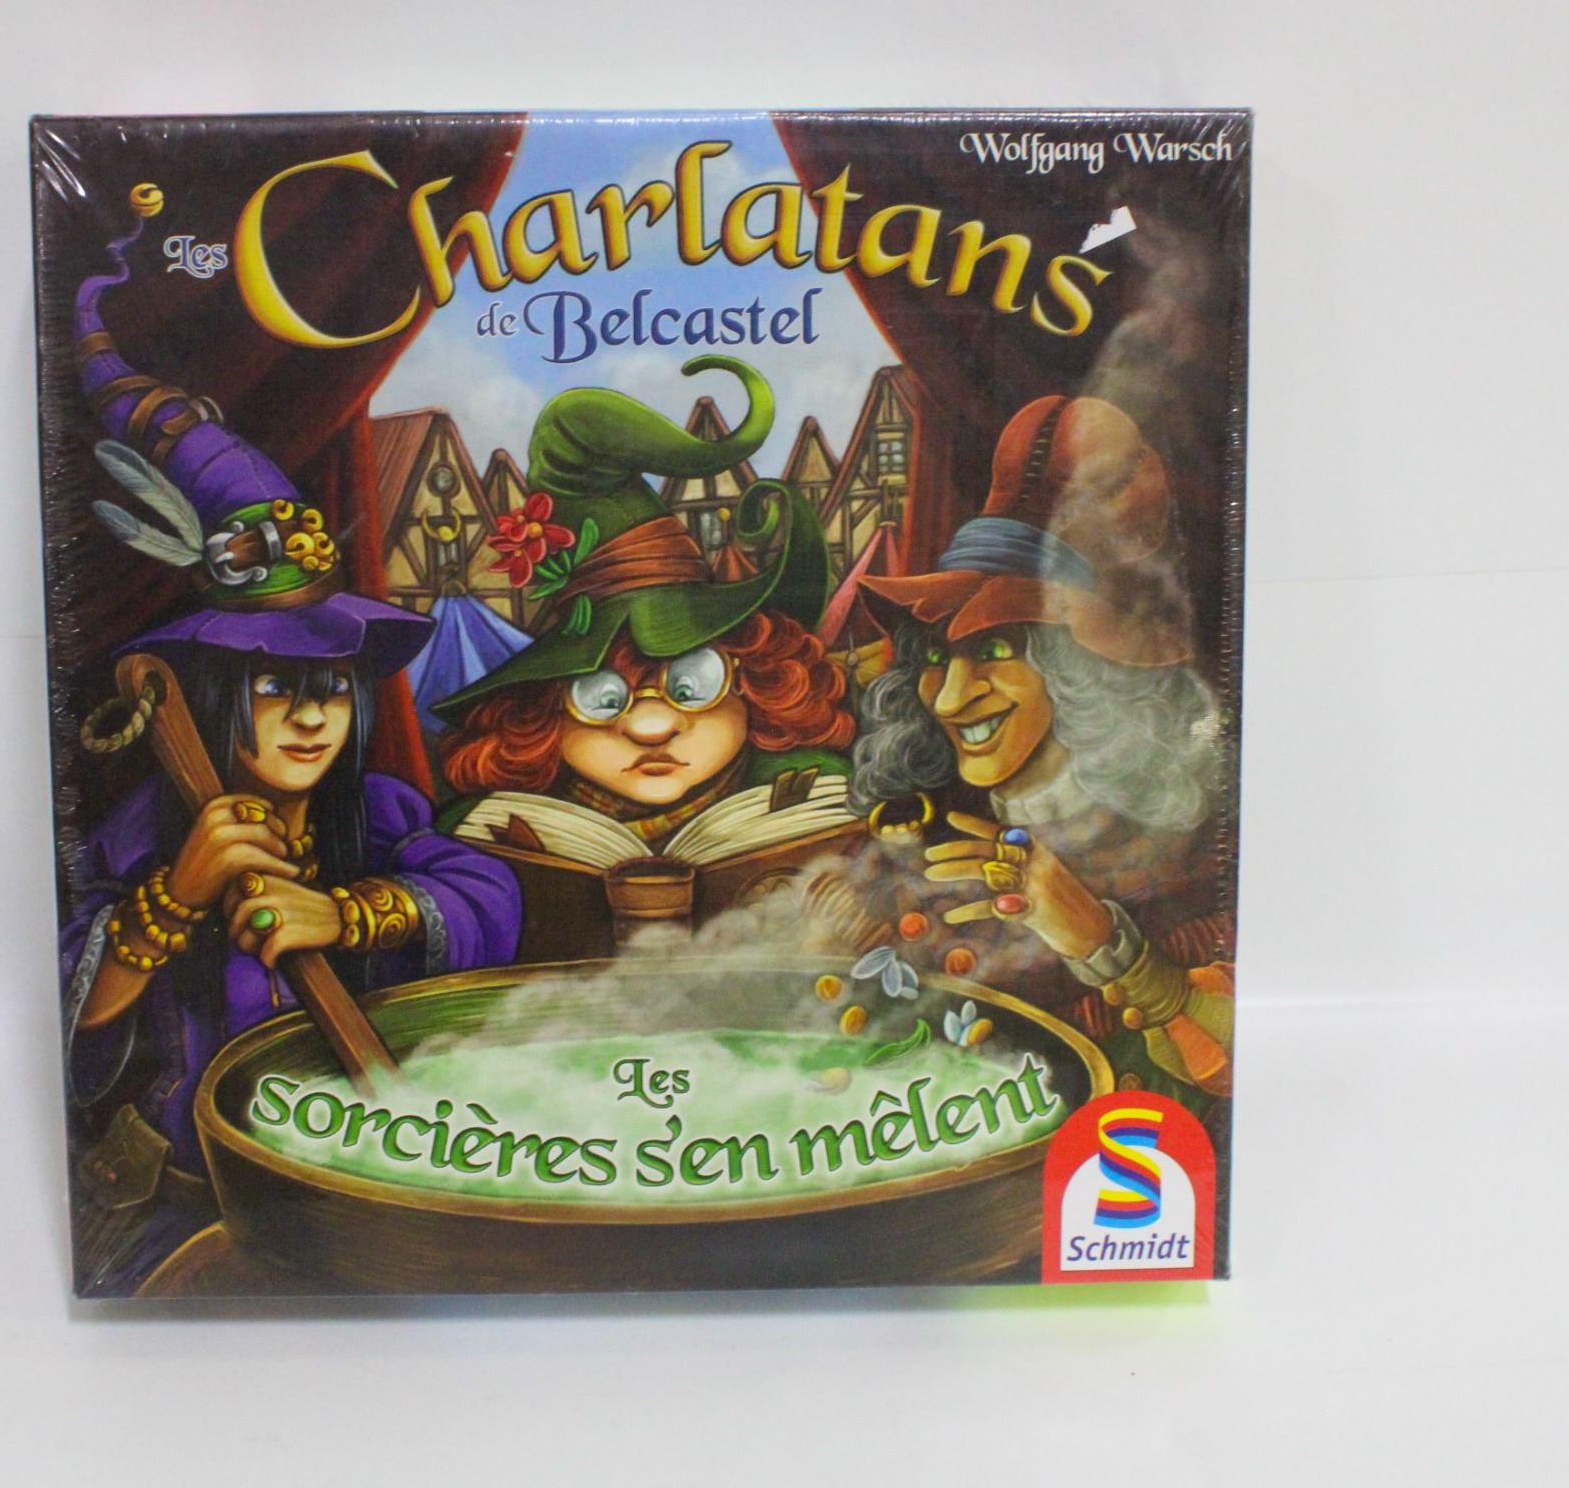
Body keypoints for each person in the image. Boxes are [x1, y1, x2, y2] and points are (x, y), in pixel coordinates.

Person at [59, 210, 521, 1292]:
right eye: (277, 688)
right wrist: (171, 901)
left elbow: (486, 897)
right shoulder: (145, 836)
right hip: (193, 1199)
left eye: (332, 689)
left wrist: (347, 914)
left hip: (361, 1184)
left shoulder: (381, 815)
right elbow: (73, 1031)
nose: (312, 716)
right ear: (220, 695)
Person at [847, 395, 1233, 1109]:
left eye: (995, 650)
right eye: (936, 657)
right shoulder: (922, 822)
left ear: (1077, 668)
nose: (950, 697)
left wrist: (1099, 941)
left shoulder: (1190, 845)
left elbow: (1241, 1063)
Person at [434, 357, 853, 848]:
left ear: (756, 684)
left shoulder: (817, 795)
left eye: (694, 683)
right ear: (544, 714)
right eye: (600, 697)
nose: (651, 726)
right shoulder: (487, 827)